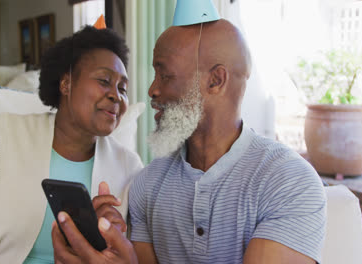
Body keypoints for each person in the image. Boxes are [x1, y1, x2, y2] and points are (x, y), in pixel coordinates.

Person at [51, 18, 326, 264]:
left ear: (215, 81)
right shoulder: (146, 185)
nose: (152, 89)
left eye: (165, 75)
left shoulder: (289, 181)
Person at [0, 25, 143, 264]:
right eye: (104, 80)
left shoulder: (129, 167)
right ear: (66, 84)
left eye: (123, 88)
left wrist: (112, 240)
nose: (116, 96)